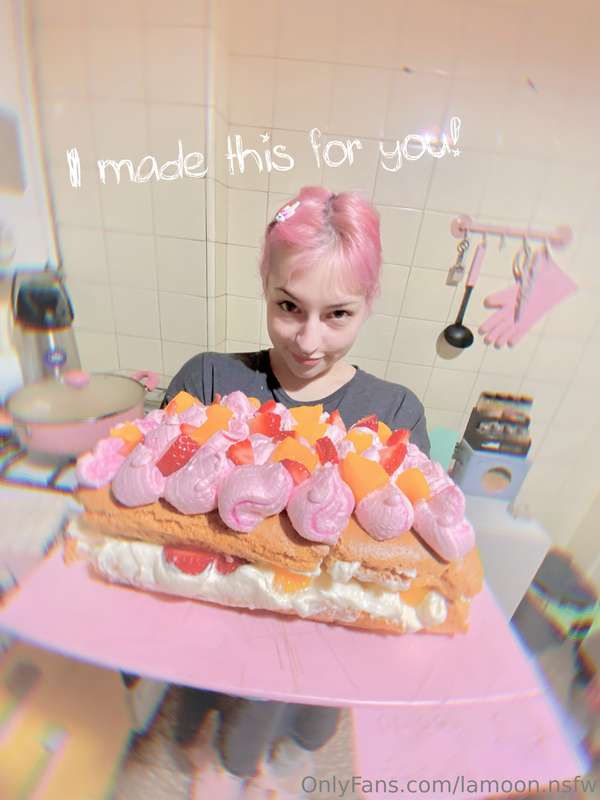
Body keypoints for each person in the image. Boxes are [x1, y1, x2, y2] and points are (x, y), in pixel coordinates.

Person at [162, 186, 430, 798]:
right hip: (215, 633)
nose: (309, 341)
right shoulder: (210, 379)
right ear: (264, 285)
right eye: (289, 307)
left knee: (296, 735)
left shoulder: (394, 413)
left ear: (368, 303)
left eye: (337, 315)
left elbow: (399, 560)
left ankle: (278, 760)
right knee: (221, 739)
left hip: (323, 648)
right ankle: (223, 760)